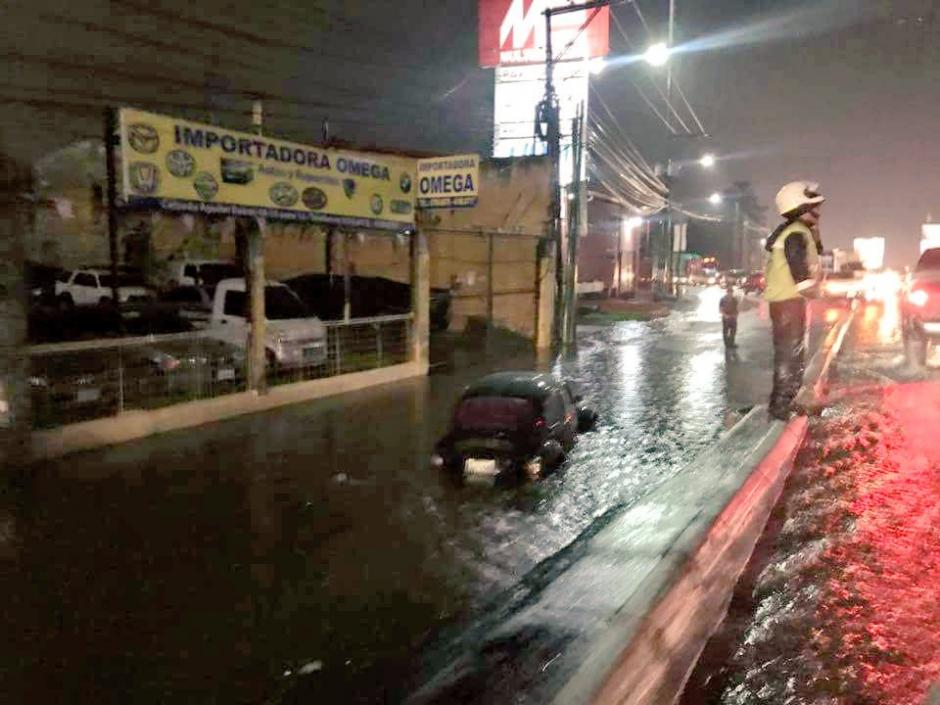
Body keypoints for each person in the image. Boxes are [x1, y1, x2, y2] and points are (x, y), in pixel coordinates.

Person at [764, 180, 824, 420]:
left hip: (788, 301)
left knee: (794, 352)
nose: (818, 213)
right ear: (800, 208)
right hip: (788, 302)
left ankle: (791, 400)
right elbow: (798, 264)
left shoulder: (797, 231)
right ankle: (781, 406)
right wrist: (813, 289)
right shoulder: (795, 233)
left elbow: (814, 252)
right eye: (813, 208)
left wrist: (816, 233)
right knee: (789, 354)